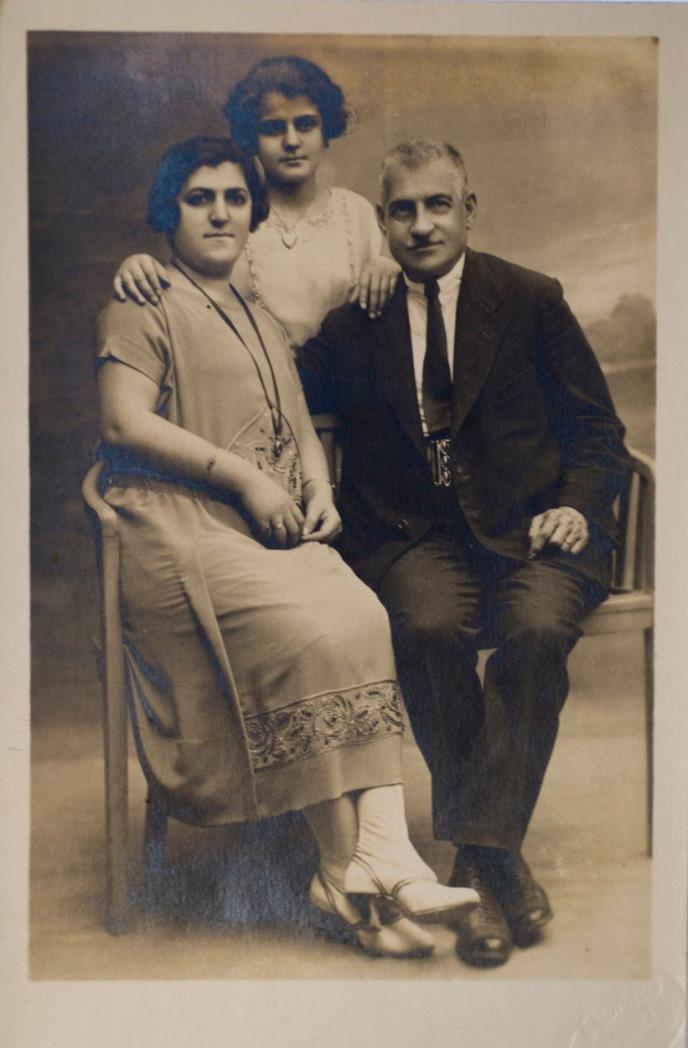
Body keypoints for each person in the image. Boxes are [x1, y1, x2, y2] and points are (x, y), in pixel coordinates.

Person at [94, 134, 478, 960]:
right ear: (170, 211)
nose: (220, 214)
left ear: (253, 213)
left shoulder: (258, 312)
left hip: (258, 528)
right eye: (200, 198)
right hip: (177, 532)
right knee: (307, 632)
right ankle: (342, 871)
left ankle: (382, 856)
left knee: (360, 614)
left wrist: (318, 489)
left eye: (235, 198)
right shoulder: (143, 300)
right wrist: (245, 479)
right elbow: (123, 423)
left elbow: (299, 424)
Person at [298, 139, 630, 968]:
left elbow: (598, 432)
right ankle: (497, 861)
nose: (421, 226)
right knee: (425, 627)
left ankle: (478, 862)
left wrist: (576, 507)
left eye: (438, 205)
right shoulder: (358, 321)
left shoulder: (528, 299)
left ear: (469, 210)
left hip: (533, 529)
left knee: (537, 629)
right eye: (403, 211)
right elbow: (269, 379)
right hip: (414, 536)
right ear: (383, 223)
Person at [112, 56, 400, 359]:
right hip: (250, 381)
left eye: (305, 125)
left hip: (349, 383)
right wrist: (140, 267)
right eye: (273, 128)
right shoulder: (230, 215)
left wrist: (391, 267)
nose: (291, 141)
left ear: (325, 129)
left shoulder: (357, 212)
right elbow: (187, 289)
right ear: (251, 136)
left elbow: (399, 307)